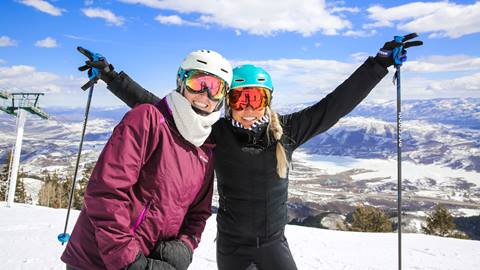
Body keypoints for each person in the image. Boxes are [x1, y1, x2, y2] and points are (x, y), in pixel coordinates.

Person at [80, 35, 421, 270]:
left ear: (267, 101)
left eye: (256, 98)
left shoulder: (286, 132)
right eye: (239, 99)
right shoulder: (216, 133)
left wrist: (379, 65)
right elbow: (158, 108)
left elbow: (335, 105)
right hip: (232, 246)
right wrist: (112, 77)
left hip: (275, 244)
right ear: (228, 103)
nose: (247, 107)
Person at [61, 49, 233, 270]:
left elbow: (198, 213)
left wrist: (186, 245)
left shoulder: (205, 151)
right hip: (97, 262)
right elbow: (106, 194)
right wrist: (129, 261)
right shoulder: (148, 120)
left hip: (151, 262)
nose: (205, 95)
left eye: (215, 88)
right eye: (198, 82)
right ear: (181, 81)